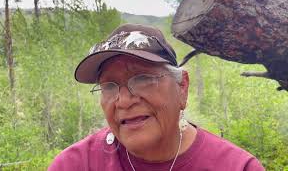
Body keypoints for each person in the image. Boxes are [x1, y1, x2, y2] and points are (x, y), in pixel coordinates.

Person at [48, 24, 265, 171]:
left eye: (143, 79)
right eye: (109, 86)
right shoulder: (75, 164)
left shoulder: (236, 167)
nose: (123, 101)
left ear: (182, 88)